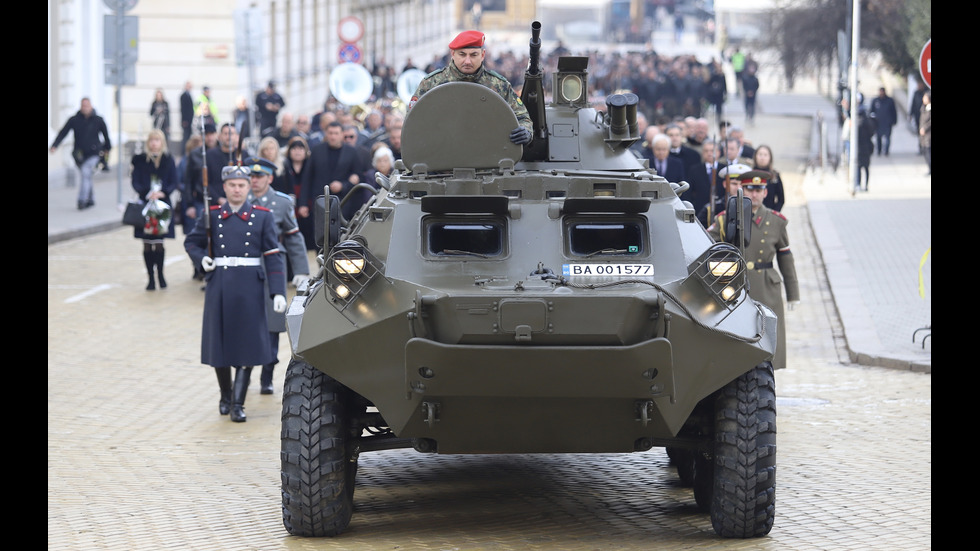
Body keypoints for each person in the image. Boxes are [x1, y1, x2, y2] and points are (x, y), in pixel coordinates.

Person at [183, 164, 286, 423]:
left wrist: (277, 292)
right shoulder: (213, 215)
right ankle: (225, 395)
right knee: (219, 344)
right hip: (220, 284)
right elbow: (191, 242)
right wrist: (202, 259)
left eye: (241, 185)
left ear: (249, 187)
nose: (237, 189)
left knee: (248, 345)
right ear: (225, 187)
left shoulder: (262, 216)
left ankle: (238, 404)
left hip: (251, 286)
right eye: (232, 185)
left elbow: (273, 256)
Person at [707, 170, 799, 370]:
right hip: (736, 286)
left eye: (759, 190)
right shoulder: (726, 219)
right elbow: (707, 248)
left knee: (768, 337)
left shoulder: (776, 221)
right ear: (742, 189)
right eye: (750, 189)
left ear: (765, 193)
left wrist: (793, 294)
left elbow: (785, 257)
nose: (754, 194)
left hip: (767, 287)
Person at [245, 157, 310, 395]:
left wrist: (301, 270)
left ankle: (267, 375)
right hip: (247, 268)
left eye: (259, 177)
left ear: (270, 178)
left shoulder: (281, 203)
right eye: (251, 176)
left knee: (273, 322)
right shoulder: (241, 200)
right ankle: (245, 373)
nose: (254, 181)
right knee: (248, 321)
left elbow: (293, 237)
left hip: (274, 268)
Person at [410, 30, 532, 146]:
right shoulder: (431, 83)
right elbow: (412, 120)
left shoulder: (498, 85)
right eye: (462, 54)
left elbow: (522, 116)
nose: (467, 61)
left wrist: (526, 131)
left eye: (474, 55)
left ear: (482, 55)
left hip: (488, 159)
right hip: (441, 158)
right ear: (453, 54)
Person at [130, 129, 178, 291]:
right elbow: (135, 181)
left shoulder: (168, 159)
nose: (154, 143)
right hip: (146, 203)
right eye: (151, 140)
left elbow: (173, 180)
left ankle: (161, 275)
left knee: (159, 243)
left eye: (157, 140)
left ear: (162, 142)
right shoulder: (140, 160)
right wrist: (146, 193)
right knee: (146, 243)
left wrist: (163, 192)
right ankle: (150, 278)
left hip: (162, 205)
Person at [299, 121, 364, 242]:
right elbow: (307, 178)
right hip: (320, 202)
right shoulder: (317, 151)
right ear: (326, 134)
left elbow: (359, 177)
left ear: (341, 135)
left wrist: (344, 185)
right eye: (330, 133)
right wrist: (303, 203)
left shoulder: (351, 152)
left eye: (336, 133)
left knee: (341, 238)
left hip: (343, 203)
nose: (333, 136)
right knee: (320, 239)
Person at [49, 97, 112, 210]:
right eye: (83, 106)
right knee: (86, 176)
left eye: (87, 105)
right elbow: (63, 133)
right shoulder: (74, 120)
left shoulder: (98, 120)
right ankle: (91, 199)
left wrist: (107, 152)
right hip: (79, 155)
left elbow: (106, 137)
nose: (85, 108)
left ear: (91, 106)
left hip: (94, 153)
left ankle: (82, 200)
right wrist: (54, 145)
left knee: (85, 172)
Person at [280, 136, 312, 247]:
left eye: (300, 149)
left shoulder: (310, 166)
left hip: (307, 206)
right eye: (294, 149)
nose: (297, 152)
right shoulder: (284, 166)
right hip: (290, 206)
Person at [697, 162, 749, 227]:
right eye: (734, 184)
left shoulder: (751, 207)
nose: (738, 188)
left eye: (741, 184)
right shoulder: (711, 209)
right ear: (725, 184)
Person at [681, 138, 719, 220]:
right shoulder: (694, 170)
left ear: (718, 152)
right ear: (702, 153)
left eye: (712, 151)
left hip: (720, 212)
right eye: (706, 151)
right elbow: (688, 192)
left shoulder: (724, 170)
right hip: (700, 212)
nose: (709, 153)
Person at [206, 123, 240, 203]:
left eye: (231, 134)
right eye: (225, 134)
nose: (229, 137)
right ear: (219, 136)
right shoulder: (210, 155)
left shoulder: (243, 154)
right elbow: (205, 182)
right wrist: (218, 199)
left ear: (236, 136)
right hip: (216, 202)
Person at [751, 144, 785, 212]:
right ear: (755, 156)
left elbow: (781, 199)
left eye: (765, 155)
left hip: (768, 213)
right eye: (760, 154)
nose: (762, 158)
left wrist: (774, 213)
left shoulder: (775, 175)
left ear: (770, 158)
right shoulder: (749, 174)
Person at [869, 87, 897, 156]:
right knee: (878, 138)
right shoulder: (875, 101)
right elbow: (871, 112)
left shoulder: (890, 101)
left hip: (887, 123)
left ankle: (886, 151)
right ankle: (879, 150)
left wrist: (894, 121)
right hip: (878, 123)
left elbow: (893, 111)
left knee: (887, 137)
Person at [853, 104, 875, 193]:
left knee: (859, 167)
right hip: (866, 147)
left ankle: (858, 184)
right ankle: (865, 185)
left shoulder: (857, 123)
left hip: (858, 148)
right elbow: (872, 132)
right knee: (866, 167)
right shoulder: (868, 122)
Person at [180, 81, 195, 157]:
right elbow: (183, 109)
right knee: (185, 137)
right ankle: (183, 152)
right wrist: (184, 121)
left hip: (190, 120)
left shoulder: (189, 95)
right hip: (186, 121)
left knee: (188, 136)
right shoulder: (184, 96)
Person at [918, 90, 931, 176]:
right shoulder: (923, 108)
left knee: (928, 151)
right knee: (924, 151)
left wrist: (925, 128)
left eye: (925, 97)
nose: (923, 99)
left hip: (928, 134)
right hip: (923, 135)